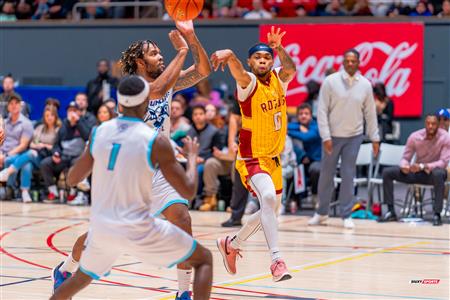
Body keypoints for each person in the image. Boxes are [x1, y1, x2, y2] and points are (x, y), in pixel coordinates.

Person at [52, 21, 211, 300]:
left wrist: (191, 35)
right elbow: (158, 90)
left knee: (182, 219)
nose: (160, 56)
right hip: (131, 170)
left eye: (162, 52)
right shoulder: (133, 88)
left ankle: (184, 293)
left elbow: (204, 70)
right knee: (97, 239)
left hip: (159, 168)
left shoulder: (167, 79)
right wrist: (182, 51)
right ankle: (66, 267)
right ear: (139, 61)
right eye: (154, 53)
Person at [210, 26, 296, 281]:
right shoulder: (248, 83)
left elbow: (290, 69)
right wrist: (230, 55)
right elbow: (238, 72)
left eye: (267, 57)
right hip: (251, 158)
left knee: (270, 210)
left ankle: (232, 243)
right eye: (258, 58)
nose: (262, 61)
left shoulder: (280, 79)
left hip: (273, 158)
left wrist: (279, 48)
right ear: (250, 62)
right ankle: (277, 260)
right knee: (267, 198)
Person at [309, 49, 380, 229]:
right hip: (332, 136)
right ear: (342, 62)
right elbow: (322, 110)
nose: (350, 64)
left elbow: (370, 113)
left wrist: (375, 138)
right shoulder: (330, 82)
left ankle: (346, 214)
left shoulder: (365, 84)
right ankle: (321, 213)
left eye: (353, 61)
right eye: (347, 61)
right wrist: (325, 136)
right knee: (326, 175)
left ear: (358, 62)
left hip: (354, 136)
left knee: (349, 175)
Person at [379, 114, 450, 226]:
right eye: (428, 123)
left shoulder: (445, 137)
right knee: (387, 172)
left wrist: (423, 166)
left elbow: (442, 163)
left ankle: (437, 214)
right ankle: (391, 211)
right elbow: (405, 158)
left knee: (439, 174)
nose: (430, 126)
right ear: (425, 124)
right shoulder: (415, 136)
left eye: (433, 124)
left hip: (433, 173)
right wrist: (405, 166)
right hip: (417, 172)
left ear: (438, 125)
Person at [0, 105, 61, 202]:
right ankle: (25, 192)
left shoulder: (58, 130)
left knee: (30, 153)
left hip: (48, 159)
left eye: (51, 115)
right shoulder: (40, 128)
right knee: (27, 164)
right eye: (47, 115)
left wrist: (44, 145)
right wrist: (37, 145)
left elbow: (57, 147)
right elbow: (32, 143)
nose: (49, 117)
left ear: (55, 116)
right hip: (37, 156)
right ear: (44, 117)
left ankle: (7, 172)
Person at [40, 102, 90, 204]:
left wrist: (78, 121)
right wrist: (56, 153)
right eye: (70, 111)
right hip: (64, 157)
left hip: (77, 156)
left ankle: (73, 192)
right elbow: (56, 144)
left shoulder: (83, 123)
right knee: (45, 163)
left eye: (74, 111)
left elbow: (87, 137)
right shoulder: (63, 126)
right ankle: (54, 193)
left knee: (77, 165)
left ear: (79, 113)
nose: (72, 113)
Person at [186, 105, 226, 211]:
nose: (198, 116)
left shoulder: (214, 131)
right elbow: (186, 149)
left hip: (206, 161)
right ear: (192, 117)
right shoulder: (189, 131)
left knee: (197, 171)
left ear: (205, 116)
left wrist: (202, 159)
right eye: (195, 114)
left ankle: (195, 200)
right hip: (191, 160)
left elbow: (217, 151)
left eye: (200, 114)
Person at [0, 94, 34, 201]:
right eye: (11, 103)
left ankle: (9, 187)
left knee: (13, 160)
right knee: (26, 164)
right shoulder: (4, 122)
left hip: (17, 153)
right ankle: (20, 190)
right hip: (2, 153)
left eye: (16, 103)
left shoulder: (26, 123)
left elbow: (23, 145)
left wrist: (5, 156)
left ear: (21, 106)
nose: (14, 106)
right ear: (8, 106)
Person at [288, 103, 321, 206]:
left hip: (316, 160)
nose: (303, 116)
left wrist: (290, 132)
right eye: (301, 114)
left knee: (315, 170)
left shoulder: (316, 126)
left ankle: (315, 195)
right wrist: (299, 127)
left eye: (306, 114)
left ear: (311, 116)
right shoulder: (297, 125)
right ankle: (294, 200)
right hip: (301, 160)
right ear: (297, 116)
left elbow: (307, 137)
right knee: (291, 169)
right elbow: (286, 126)